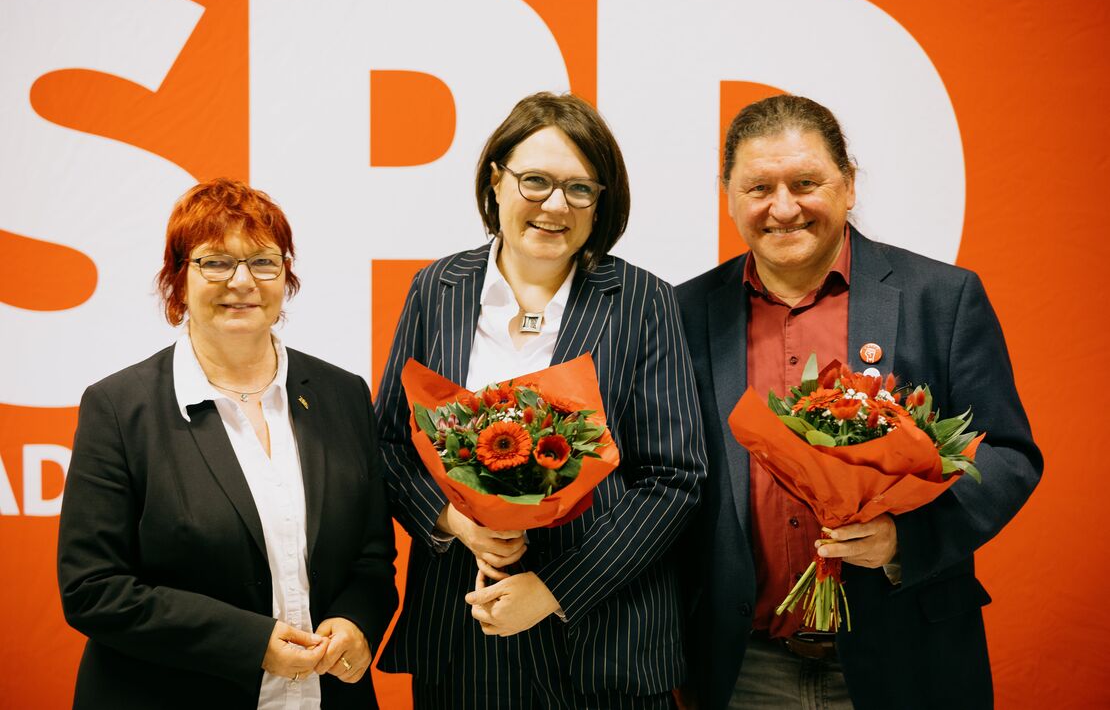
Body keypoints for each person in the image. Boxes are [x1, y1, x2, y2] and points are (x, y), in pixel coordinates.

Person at [675, 95, 1042, 710]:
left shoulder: (941, 298)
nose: (783, 207)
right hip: (742, 667)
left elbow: (1007, 455)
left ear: (848, 186)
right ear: (730, 196)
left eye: (806, 183)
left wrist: (905, 537)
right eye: (758, 187)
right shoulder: (684, 314)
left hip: (907, 658)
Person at [375, 92, 707, 708]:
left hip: (606, 642)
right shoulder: (436, 289)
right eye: (536, 181)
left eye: (581, 189)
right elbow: (391, 444)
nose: (557, 205)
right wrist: (456, 523)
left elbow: (674, 478)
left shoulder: (643, 302)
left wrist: (554, 588)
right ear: (496, 181)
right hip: (464, 630)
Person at [57, 178, 398, 709]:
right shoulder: (120, 408)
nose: (243, 281)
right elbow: (94, 589)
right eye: (215, 262)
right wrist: (252, 644)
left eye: (264, 262)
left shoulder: (342, 394)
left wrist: (356, 622)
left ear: (286, 277)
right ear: (178, 279)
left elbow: (372, 559)